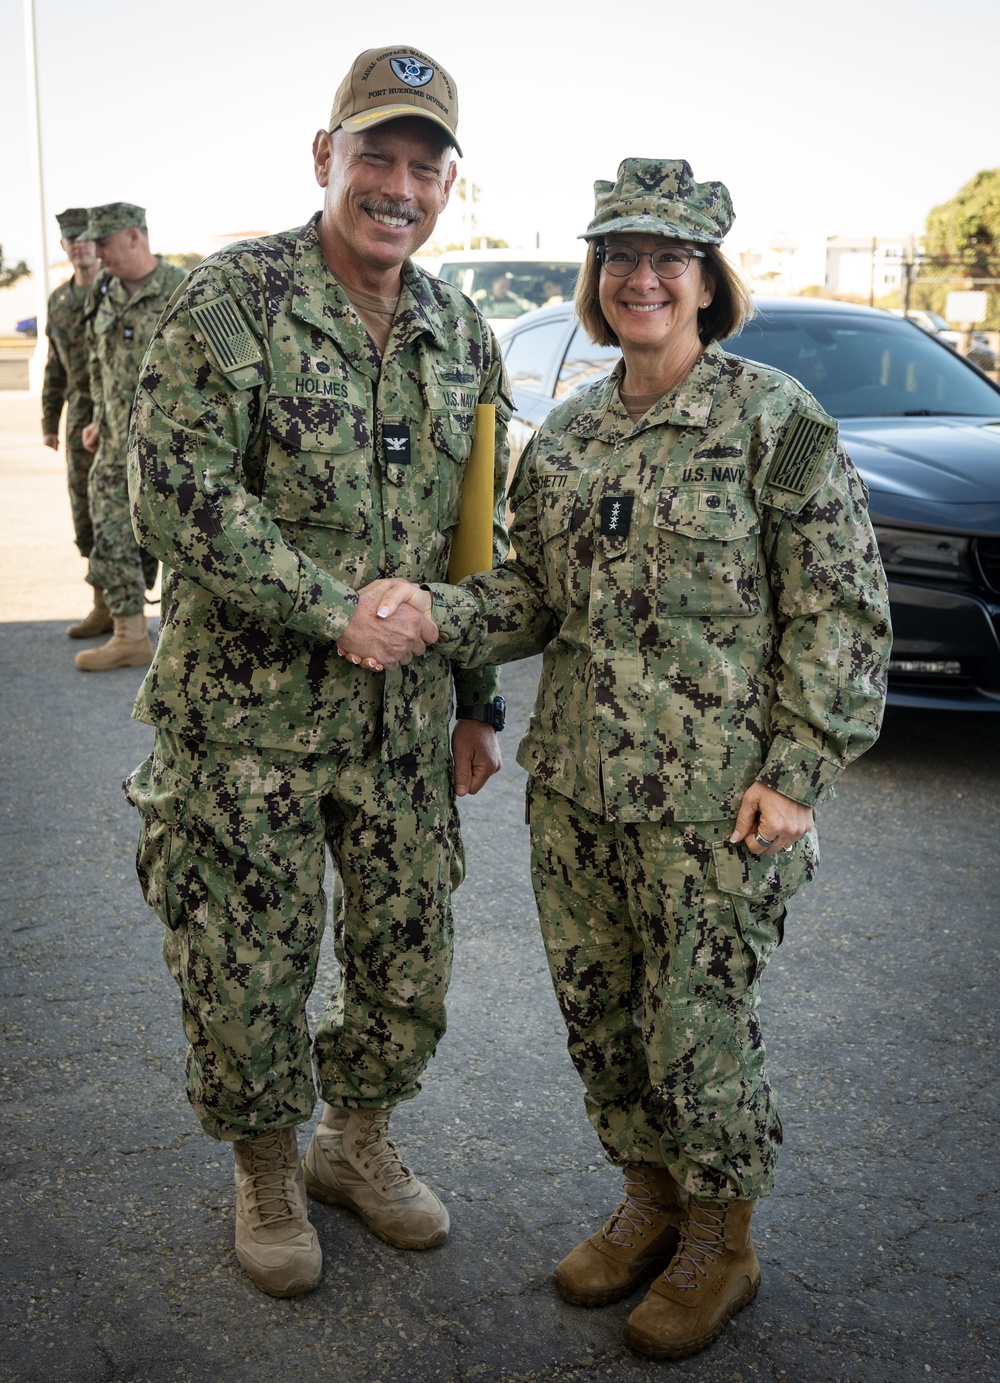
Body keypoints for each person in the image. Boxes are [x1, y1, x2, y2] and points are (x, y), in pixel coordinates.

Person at [369, 158, 892, 1359]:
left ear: (708, 282)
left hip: (718, 804)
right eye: (618, 259)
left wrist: (798, 770)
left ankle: (722, 1236)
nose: (640, 278)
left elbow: (843, 612)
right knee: (603, 1023)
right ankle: (651, 1203)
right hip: (581, 795)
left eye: (667, 260)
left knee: (693, 1028)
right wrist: (428, 617)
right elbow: (533, 598)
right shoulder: (570, 438)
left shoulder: (774, 421)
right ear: (594, 284)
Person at [123, 45, 511, 1300]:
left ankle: (359, 1143)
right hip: (248, 727)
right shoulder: (226, 303)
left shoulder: (460, 332)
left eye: (424, 166)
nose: (398, 187)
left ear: (449, 185)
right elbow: (177, 491)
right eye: (376, 158)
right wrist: (327, 609)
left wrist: (474, 699)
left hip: (402, 726)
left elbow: (475, 529)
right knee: (247, 963)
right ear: (324, 158)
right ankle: (268, 1169)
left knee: (406, 957)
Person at [75, 203, 188, 672]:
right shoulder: (102, 291)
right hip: (114, 442)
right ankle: (128, 632)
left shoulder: (185, 287)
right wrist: (98, 417)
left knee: (179, 542)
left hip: (174, 446)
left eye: (104, 242)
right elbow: (97, 361)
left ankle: (181, 639)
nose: (96, 253)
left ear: (135, 238)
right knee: (110, 531)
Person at [40, 208, 105, 636]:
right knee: (84, 513)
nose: (79, 244)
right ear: (64, 246)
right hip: (78, 419)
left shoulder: (115, 293)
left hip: (115, 419)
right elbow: (54, 367)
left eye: (85, 237)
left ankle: (128, 610)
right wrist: (49, 419)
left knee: (119, 516)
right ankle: (102, 604)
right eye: (71, 238)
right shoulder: (59, 302)